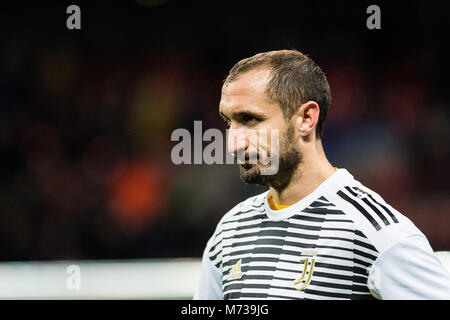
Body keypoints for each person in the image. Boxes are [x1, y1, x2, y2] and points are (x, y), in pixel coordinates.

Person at [194, 49, 450, 299]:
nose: (234, 144)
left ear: (306, 118)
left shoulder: (375, 232)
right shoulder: (230, 231)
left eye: (250, 119)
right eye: (229, 122)